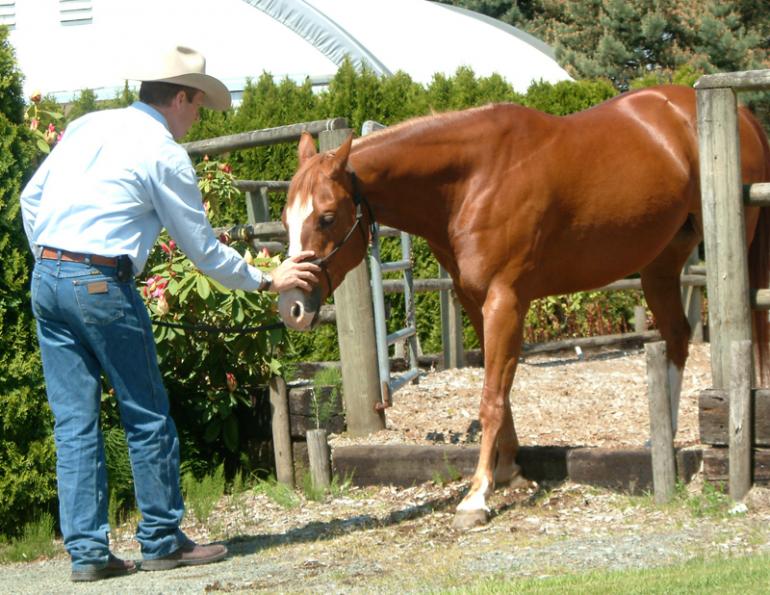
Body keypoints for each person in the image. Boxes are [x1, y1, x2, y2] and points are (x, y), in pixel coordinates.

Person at [19, 45, 320, 582]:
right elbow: (202, 251)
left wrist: (51, 257)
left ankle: (87, 553)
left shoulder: (88, 126)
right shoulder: (163, 153)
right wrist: (265, 278)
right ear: (179, 97)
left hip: (47, 276)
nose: (197, 117)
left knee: (73, 422)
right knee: (146, 411)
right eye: (198, 105)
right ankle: (161, 539)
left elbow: (30, 198)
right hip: (101, 283)